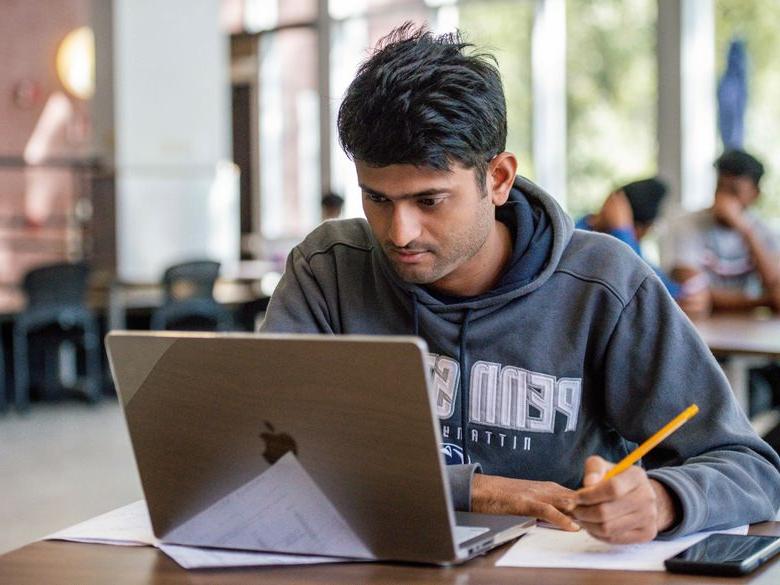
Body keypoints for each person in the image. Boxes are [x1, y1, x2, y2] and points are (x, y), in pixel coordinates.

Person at [260, 25, 780, 544]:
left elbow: (751, 467)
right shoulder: (328, 268)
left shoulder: (604, 284)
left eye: (429, 200)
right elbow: (264, 447)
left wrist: (664, 501)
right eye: (377, 199)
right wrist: (479, 491)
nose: (400, 233)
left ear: (499, 178)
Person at [665, 149, 780, 316]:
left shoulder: (765, 232)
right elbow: (694, 292)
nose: (723, 198)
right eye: (720, 188)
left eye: (734, 191)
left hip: (751, 331)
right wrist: (764, 301)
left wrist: (745, 230)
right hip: (704, 329)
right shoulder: (687, 224)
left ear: (755, 195)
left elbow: (775, 284)